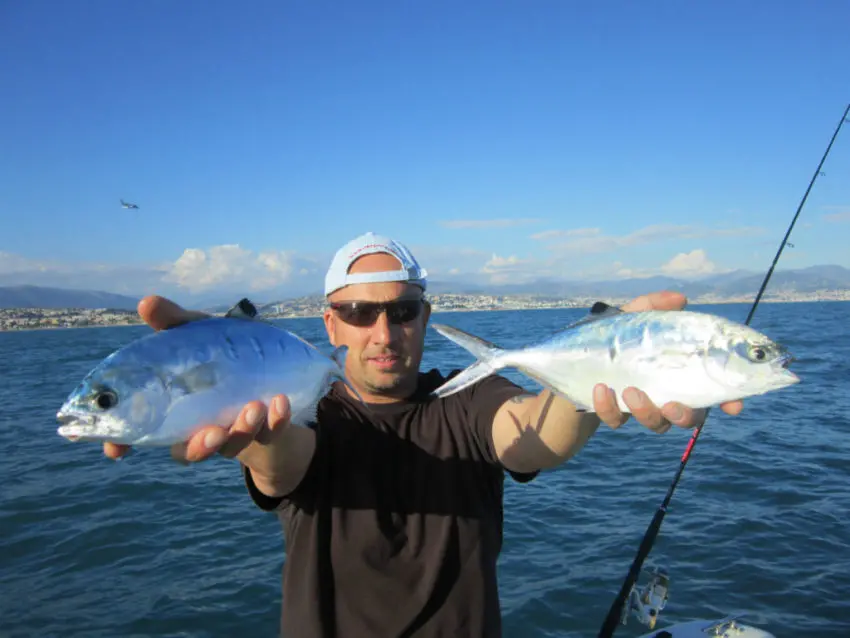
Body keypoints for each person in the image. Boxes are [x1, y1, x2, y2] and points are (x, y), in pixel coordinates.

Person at [104, 232, 745, 638]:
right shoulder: (311, 414)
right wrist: (242, 416)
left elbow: (532, 437)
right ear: (331, 325)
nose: (383, 333)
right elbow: (283, 464)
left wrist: (601, 367)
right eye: (359, 313)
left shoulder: (467, 396)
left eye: (403, 311)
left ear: (425, 317)